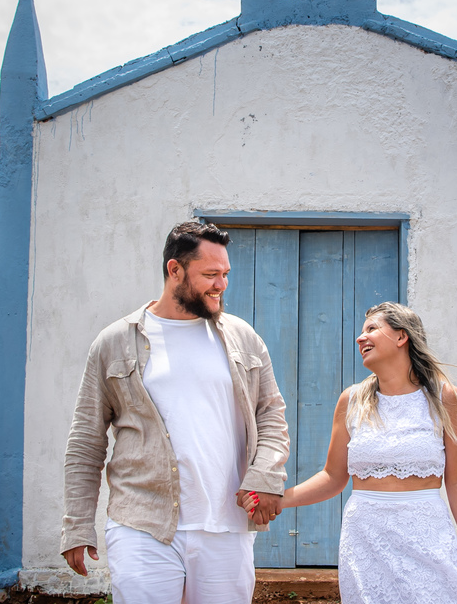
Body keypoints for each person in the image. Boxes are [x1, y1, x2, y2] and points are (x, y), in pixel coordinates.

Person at [60, 221, 289, 604]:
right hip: (142, 524)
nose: (221, 284)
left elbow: (271, 417)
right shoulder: (115, 342)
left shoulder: (244, 339)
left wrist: (265, 476)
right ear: (174, 270)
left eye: (225, 274)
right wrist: (77, 525)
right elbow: (86, 440)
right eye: (210, 274)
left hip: (226, 528)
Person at [276, 302, 457, 604]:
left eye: (371, 329)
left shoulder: (444, 398)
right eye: (361, 332)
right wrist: (278, 500)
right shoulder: (352, 400)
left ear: (401, 337)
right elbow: (333, 477)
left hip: (427, 535)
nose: (360, 338)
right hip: (365, 539)